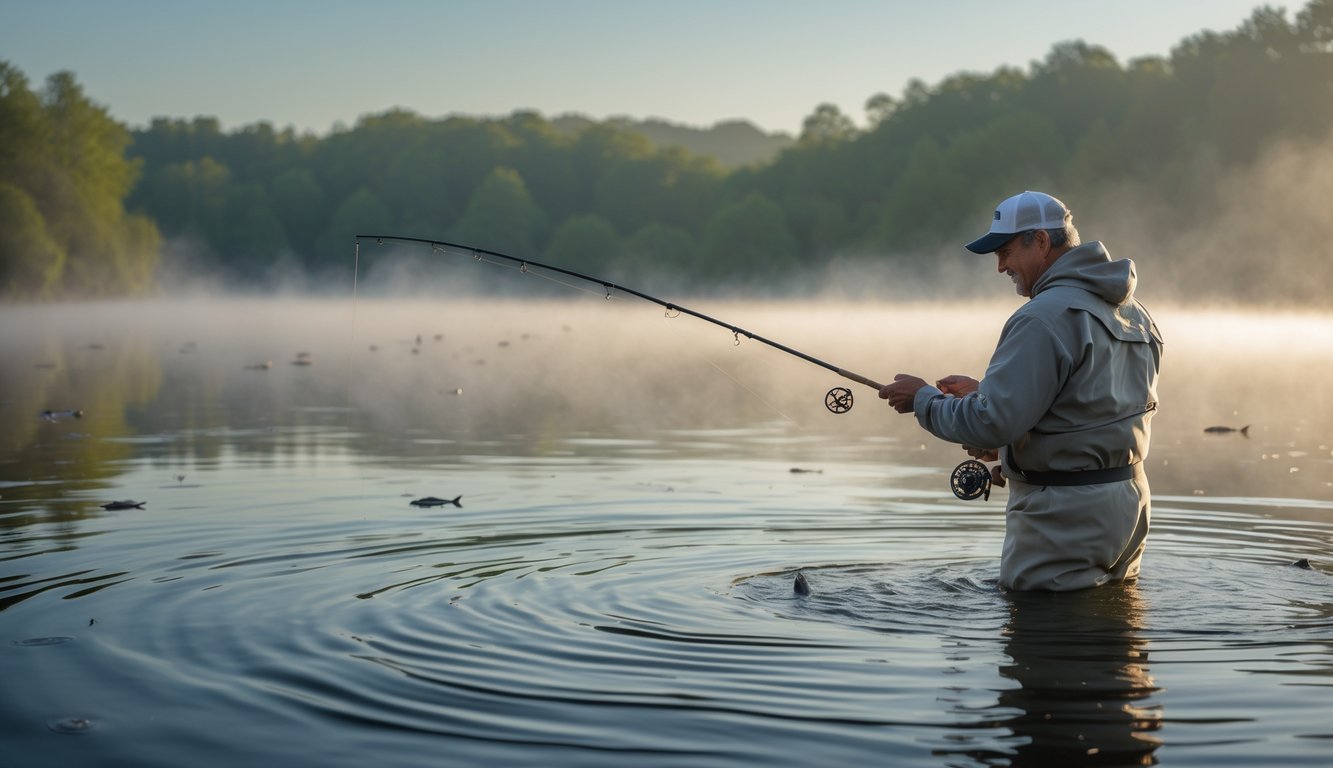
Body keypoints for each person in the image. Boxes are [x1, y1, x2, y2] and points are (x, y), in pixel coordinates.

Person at [880, 191, 1163, 591]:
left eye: (1005, 251)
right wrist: (1010, 435)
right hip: (1130, 505)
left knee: (1043, 641)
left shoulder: (1042, 317)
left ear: (1042, 242)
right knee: (1113, 640)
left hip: (1063, 517)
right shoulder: (1135, 313)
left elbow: (990, 422)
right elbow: (1096, 411)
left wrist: (923, 399)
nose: (999, 267)